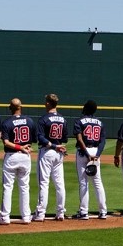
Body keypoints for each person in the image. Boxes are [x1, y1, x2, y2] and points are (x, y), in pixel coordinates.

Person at [0, 98, 35, 224]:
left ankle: (5, 217)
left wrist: (19, 147)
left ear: (10, 108)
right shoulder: (29, 121)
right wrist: (25, 147)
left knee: (8, 187)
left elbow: (6, 142)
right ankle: (26, 216)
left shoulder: (7, 122)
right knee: (24, 187)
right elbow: (32, 140)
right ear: (21, 107)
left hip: (12, 156)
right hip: (25, 156)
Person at [36, 93, 70, 221]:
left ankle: (40, 213)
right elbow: (65, 138)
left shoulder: (44, 119)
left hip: (47, 152)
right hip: (58, 153)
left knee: (44, 183)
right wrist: (59, 146)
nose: (45, 103)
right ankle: (60, 212)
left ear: (49, 103)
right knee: (59, 184)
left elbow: (40, 137)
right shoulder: (63, 119)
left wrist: (54, 146)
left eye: (46, 101)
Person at [74, 100, 108, 219]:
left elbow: (79, 139)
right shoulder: (100, 123)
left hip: (84, 152)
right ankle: (103, 211)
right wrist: (97, 154)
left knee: (83, 182)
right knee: (97, 182)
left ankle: (84, 212)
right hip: (95, 152)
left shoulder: (79, 121)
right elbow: (103, 141)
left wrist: (87, 154)